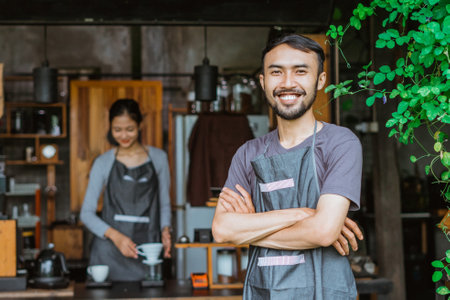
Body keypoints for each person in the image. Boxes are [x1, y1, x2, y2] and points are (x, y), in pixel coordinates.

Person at [212, 34, 364, 299]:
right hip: (264, 291)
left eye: (301, 71)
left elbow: (324, 231)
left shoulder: (340, 143)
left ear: (320, 80)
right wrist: (302, 214)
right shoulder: (247, 154)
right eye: (276, 72)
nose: (288, 83)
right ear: (263, 81)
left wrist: (249, 229)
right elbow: (223, 230)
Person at [80, 98, 171, 282]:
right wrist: (116, 237)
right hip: (108, 251)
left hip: (147, 249)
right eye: (117, 130)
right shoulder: (103, 163)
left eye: (129, 129)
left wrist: (166, 231)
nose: (123, 136)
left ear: (140, 125)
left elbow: (164, 204)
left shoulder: (159, 158)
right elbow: (86, 214)